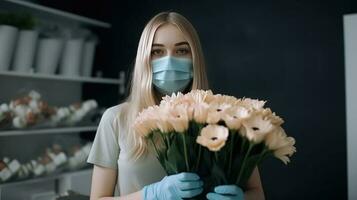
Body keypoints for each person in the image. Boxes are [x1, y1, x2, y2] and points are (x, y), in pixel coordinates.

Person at [87, 11, 265, 200]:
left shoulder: (228, 117)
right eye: (157, 51)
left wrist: (243, 199)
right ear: (144, 58)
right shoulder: (116, 119)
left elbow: (257, 193)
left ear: (194, 57)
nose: (169, 60)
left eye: (181, 50)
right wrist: (151, 195)